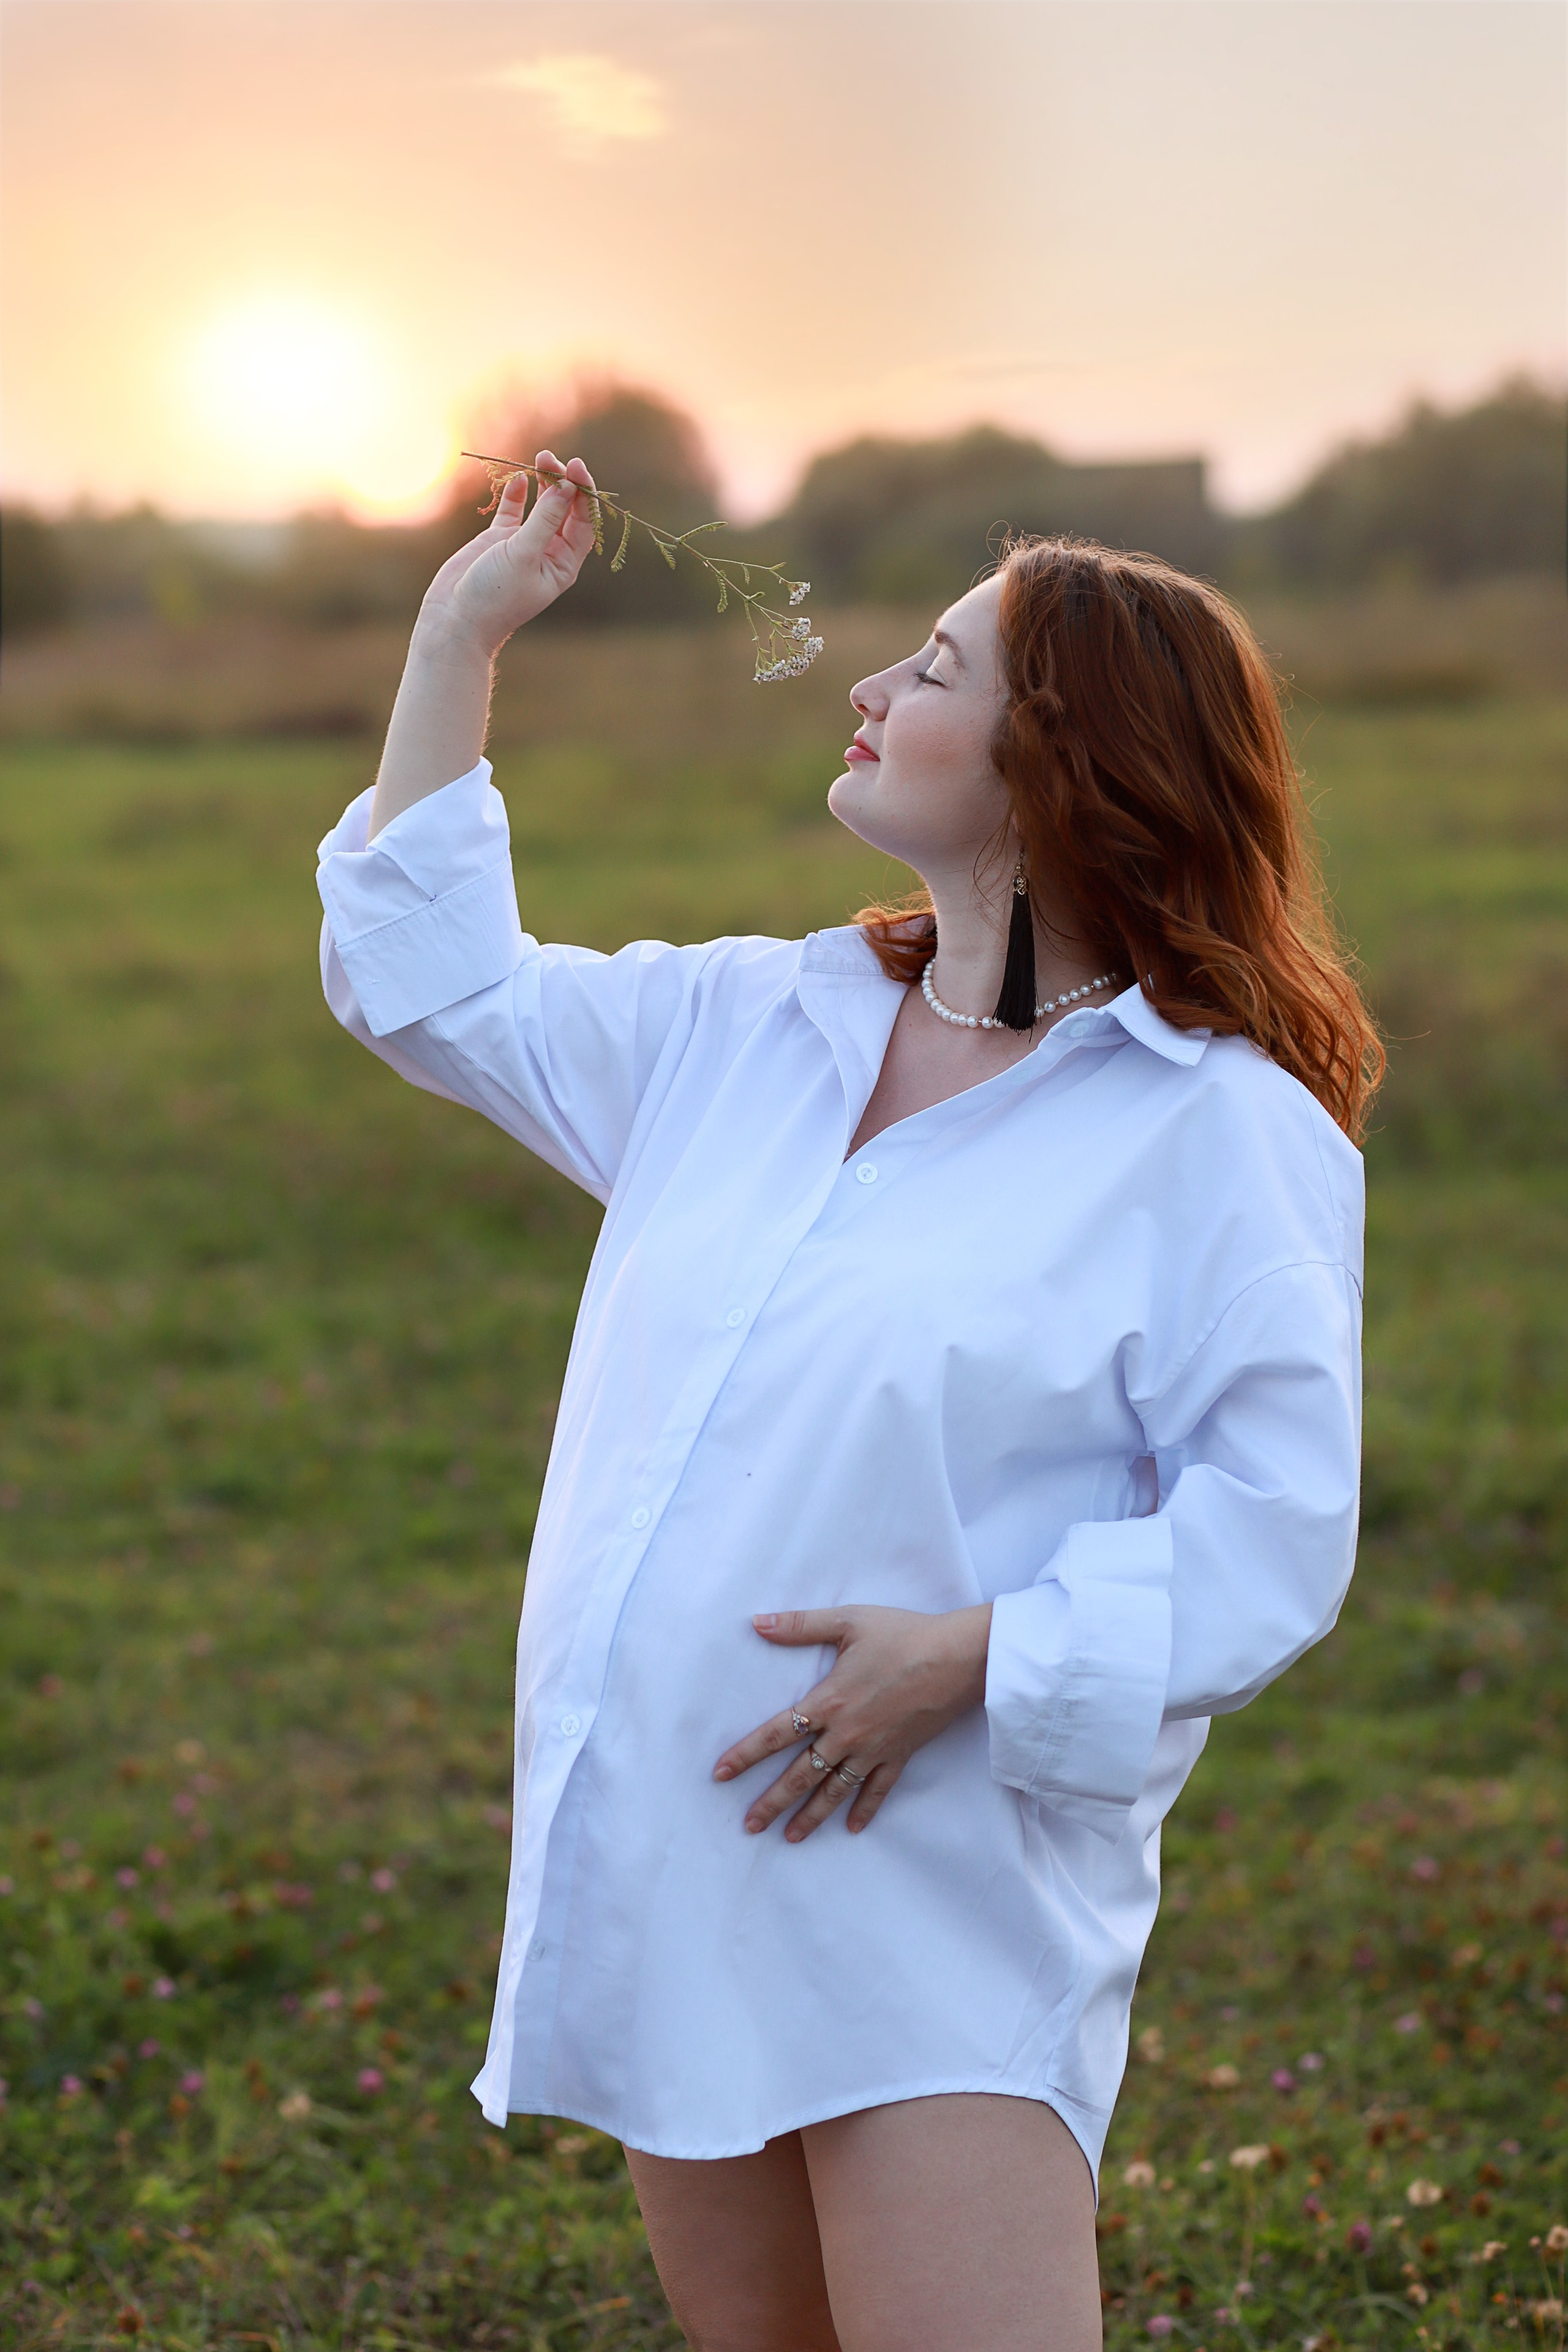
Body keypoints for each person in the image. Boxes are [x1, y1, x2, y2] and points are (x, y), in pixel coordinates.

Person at [315, 451, 1380, 2352]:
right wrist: (459, 633)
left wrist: (968, 1657)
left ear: (1072, 756)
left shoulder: (1219, 1133)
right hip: (681, 1856)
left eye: (940, 666)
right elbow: (431, 988)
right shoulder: (747, 1025)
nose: (873, 690)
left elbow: (1273, 1531)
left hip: (937, 1885)